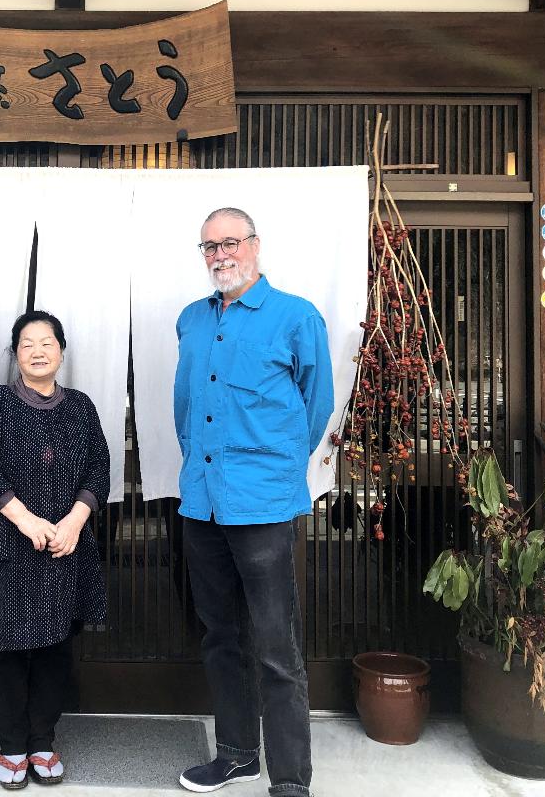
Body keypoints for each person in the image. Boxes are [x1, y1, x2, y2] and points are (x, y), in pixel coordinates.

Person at [174, 208, 333, 797]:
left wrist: (276, 471)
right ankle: (238, 753)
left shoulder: (296, 317)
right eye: (209, 245)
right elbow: (185, 409)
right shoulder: (191, 320)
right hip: (203, 503)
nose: (220, 254)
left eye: (230, 242)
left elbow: (315, 409)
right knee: (220, 637)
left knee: (275, 646)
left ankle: (290, 780)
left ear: (255, 245)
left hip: (263, 506)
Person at [0, 311, 110, 790]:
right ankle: (11, 746)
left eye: (48, 342)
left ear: (62, 352)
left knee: (53, 648)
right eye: (27, 344)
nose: (39, 351)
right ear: (15, 355)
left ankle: (43, 740)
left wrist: (73, 521)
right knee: (6, 650)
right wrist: (26, 521)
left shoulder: (82, 407)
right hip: (8, 546)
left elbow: (99, 470)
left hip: (65, 547)